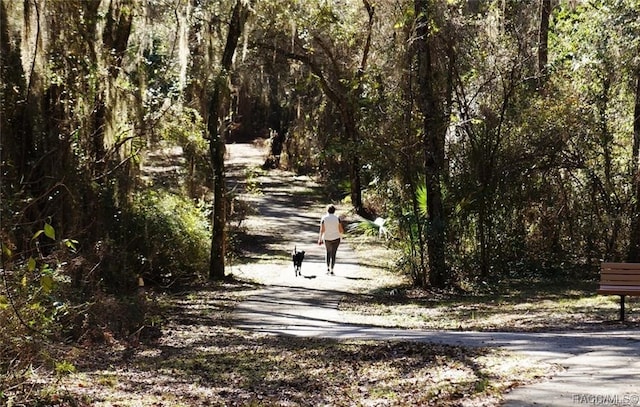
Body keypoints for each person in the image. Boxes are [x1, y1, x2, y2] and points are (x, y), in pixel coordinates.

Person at [318, 204, 344, 275]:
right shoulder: (337, 218)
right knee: (334, 254)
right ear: (334, 211)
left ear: (327, 210)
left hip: (327, 238)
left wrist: (320, 238)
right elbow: (341, 230)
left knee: (328, 253)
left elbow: (322, 230)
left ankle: (327, 268)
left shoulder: (324, 218)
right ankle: (332, 269)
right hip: (336, 238)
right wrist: (341, 236)